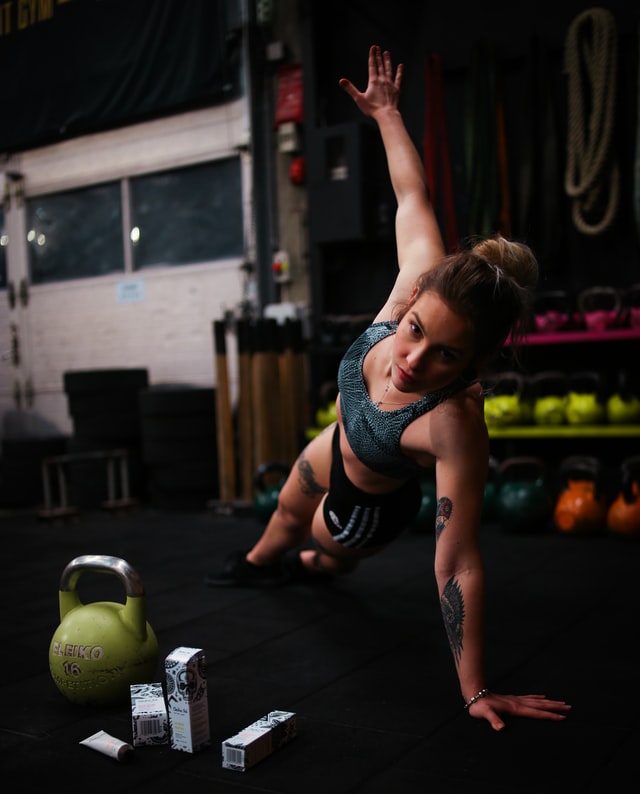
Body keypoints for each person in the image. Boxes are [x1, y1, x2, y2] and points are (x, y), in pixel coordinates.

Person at [206, 44, 571, 731]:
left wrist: (475, 688)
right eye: (411, 331)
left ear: (478, 360)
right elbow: (412, 194)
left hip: (370, 502)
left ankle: (315, 566)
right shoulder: (420, 282)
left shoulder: (454, 424)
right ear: (414, 298)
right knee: (285, 505)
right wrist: (386, 114)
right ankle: (258, 563)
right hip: (339, 441)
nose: (410, 360)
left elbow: (458, 562)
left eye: (444, 356)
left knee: (318, 547)